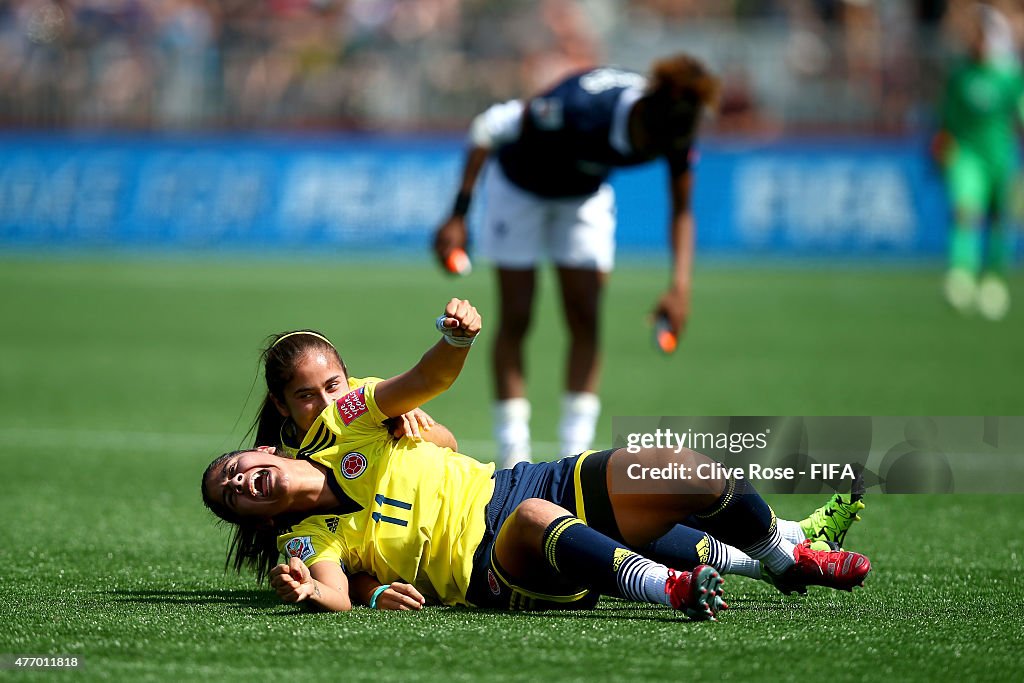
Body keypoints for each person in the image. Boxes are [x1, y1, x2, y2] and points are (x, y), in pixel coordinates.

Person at [202, 298, 871, 617]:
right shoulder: (304, 535)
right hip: (490, 561)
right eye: (233, 491)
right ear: (282, 411)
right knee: (537, 519)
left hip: (518, 479)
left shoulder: (350, 418)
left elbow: (424, 387)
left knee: (678, 466)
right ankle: (673, 587)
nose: (325, 399)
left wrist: (454, 341)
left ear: (262, 445)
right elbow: (337, 590)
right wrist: (327, 591)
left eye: (331, 384)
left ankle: (783, 557)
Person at [434, 53, 719, 469]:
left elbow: (681, 209)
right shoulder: (579, 108)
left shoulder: (674, 127)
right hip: (519, 189)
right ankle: (515, 452)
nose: (655, 152)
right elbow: (488, 127)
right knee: (516, 316)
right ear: (642, 116)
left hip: (582, 197)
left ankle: (576, 455)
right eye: (651, 144)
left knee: (585, 315)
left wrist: (680, 287)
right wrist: (458, 214)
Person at [935, 2, 1024, 320]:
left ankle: (994, 277)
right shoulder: (960, 77)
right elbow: (948, 120)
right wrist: (944, 147)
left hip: (1000, 156)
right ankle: (961, 274)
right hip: (968, 157)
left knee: (1001, 219)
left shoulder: (1009, 78)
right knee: (965, 211)